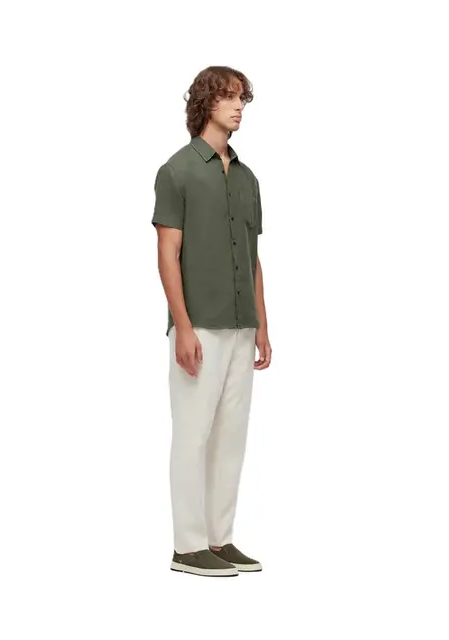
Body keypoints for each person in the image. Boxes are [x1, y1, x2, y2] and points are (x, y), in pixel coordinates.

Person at [151, 66, 272, 577]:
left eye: (243, 97)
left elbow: (253, 256)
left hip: (243, 326)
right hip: (199, 324)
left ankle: (219, 539)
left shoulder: (247, 177)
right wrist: (182, 325)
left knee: (231, 437)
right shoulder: (177, 171)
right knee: (192, 434)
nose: (239, 106)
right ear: (206, 102)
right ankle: (187, 545)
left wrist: (262, 324)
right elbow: (167, 253)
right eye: (229, 97)